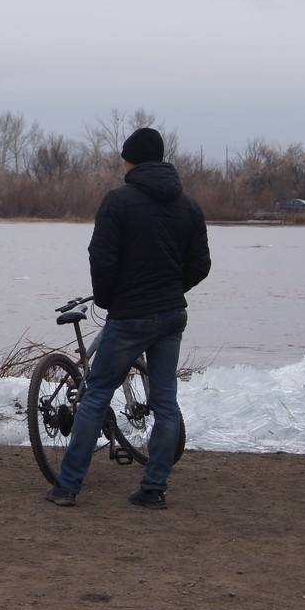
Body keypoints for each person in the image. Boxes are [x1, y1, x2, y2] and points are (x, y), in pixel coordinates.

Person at [46, 127, 210, 509]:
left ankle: (67, 486)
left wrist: (108, 300)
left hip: (130, 315)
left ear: (130, 160)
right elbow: (201, 265)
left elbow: (101, 258)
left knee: (96, 394)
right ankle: (154, 489)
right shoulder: (189, 205)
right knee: (166, 403)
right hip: (171, 315)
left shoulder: (118, 201)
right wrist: (172, 290)